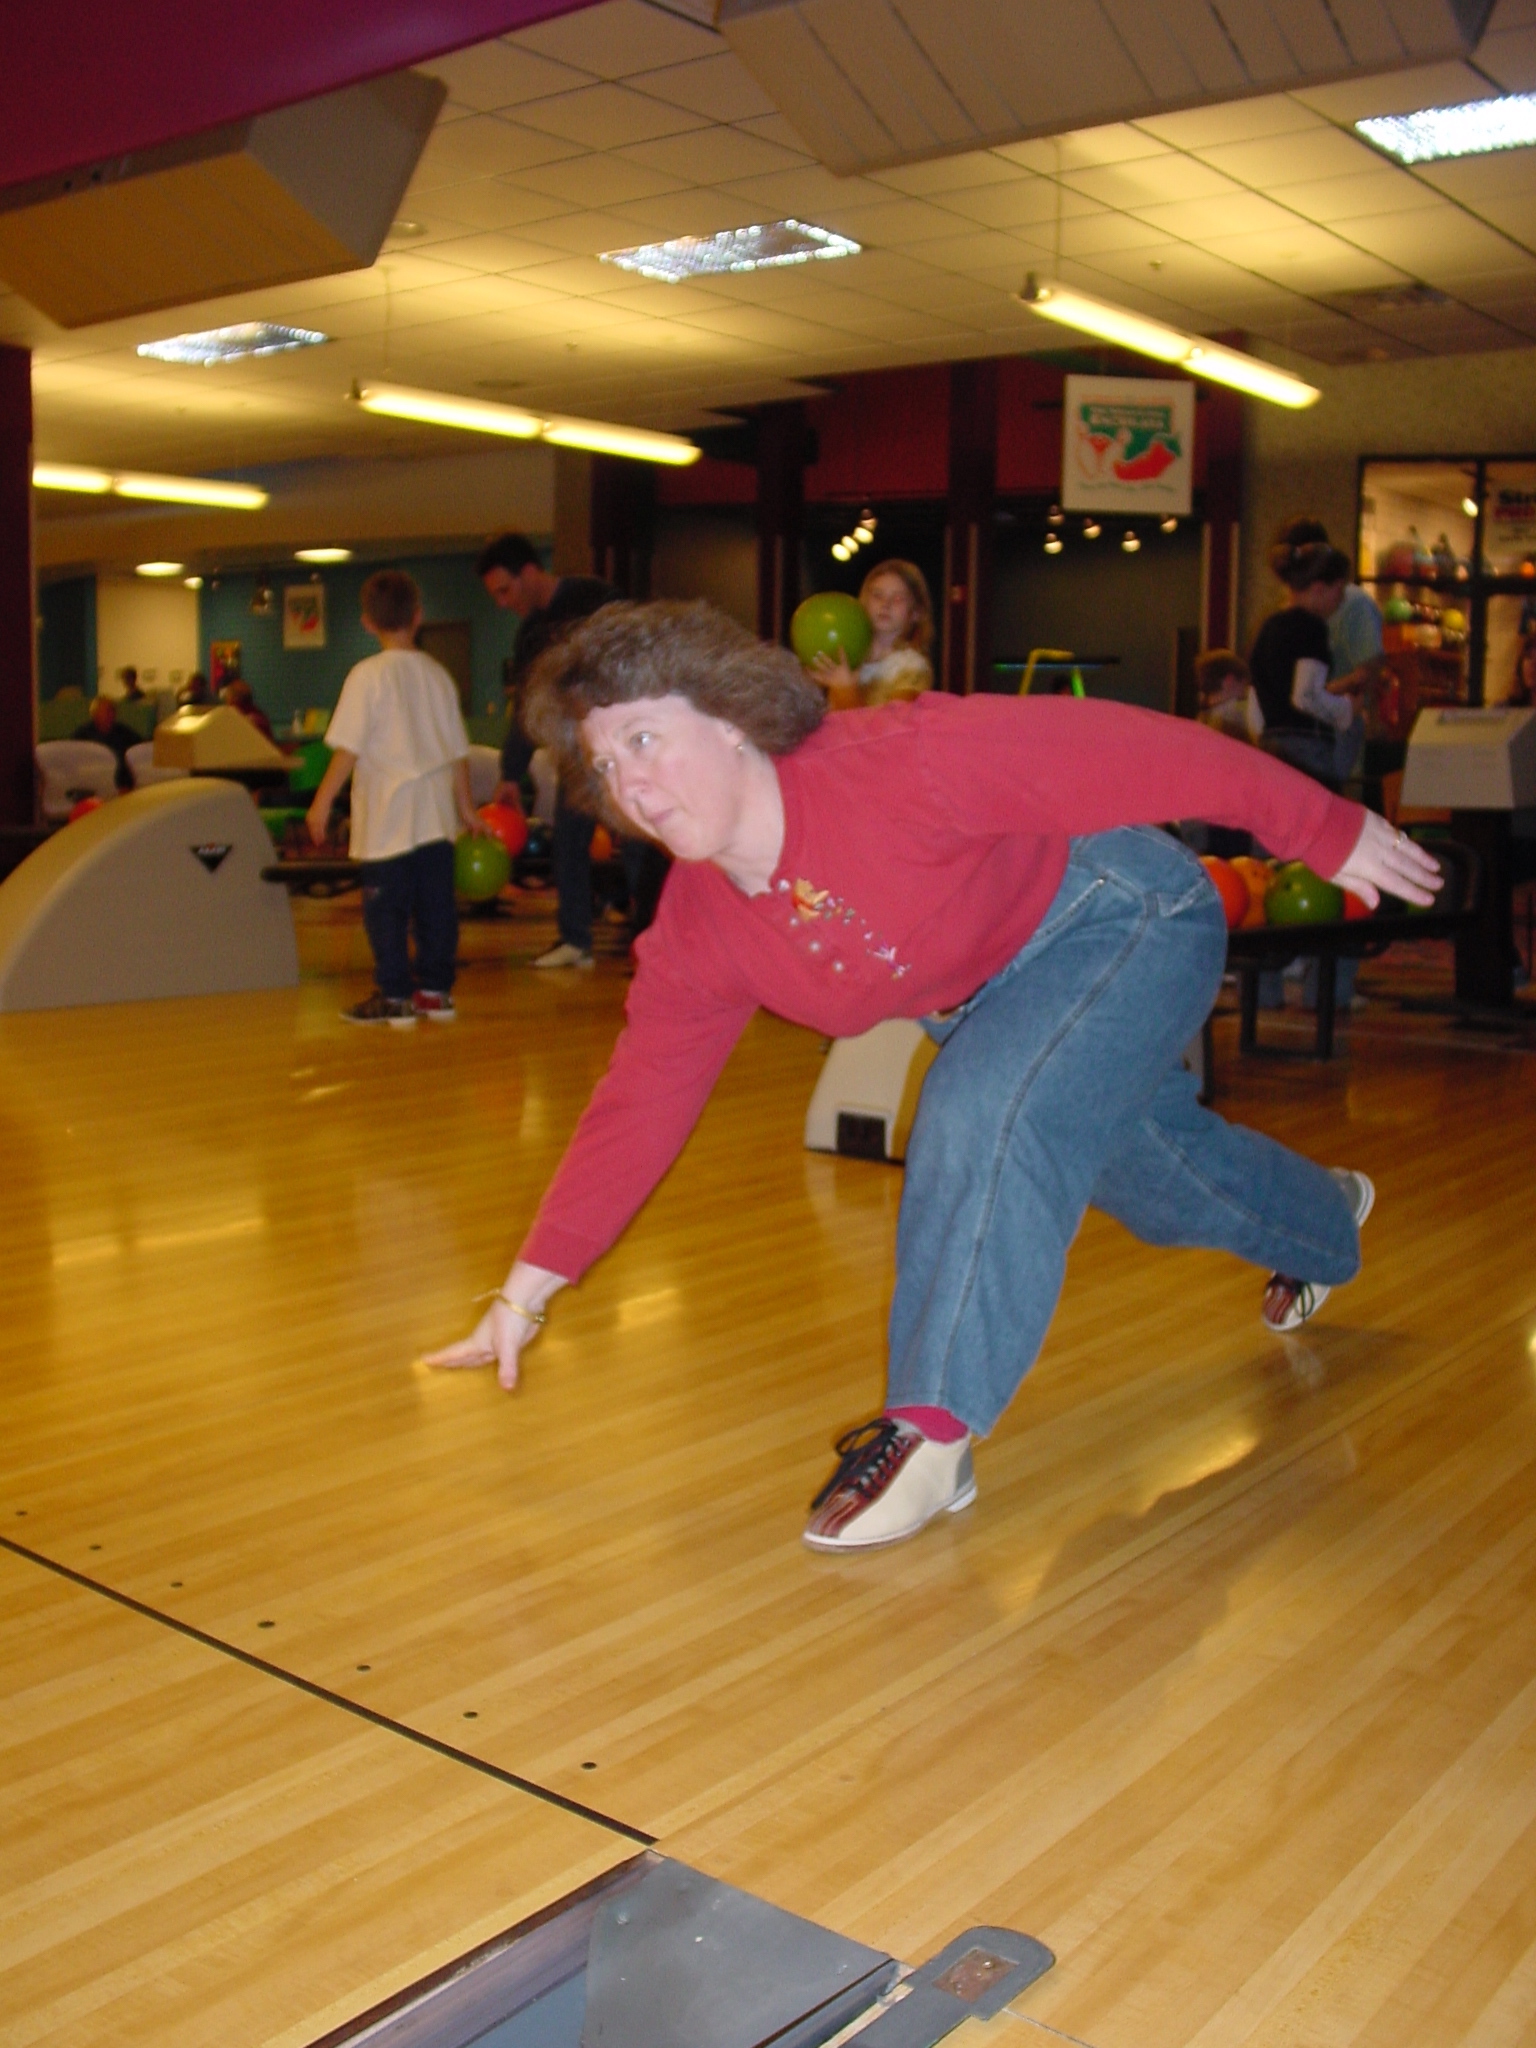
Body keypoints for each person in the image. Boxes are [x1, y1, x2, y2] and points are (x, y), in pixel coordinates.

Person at [424, 600, 1439, 1553]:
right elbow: (638, 1104)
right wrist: (526, 1292)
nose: (631, 784)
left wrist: (1323, 827)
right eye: (607, 763)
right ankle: (1326, 1220)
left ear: (730, 720)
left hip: (1124, 915)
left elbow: (1138, 747)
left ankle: (930, 1432)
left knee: (983, 1107)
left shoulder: (897, 758)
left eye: (645, 739)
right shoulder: (698, 928)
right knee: (1155, 1172)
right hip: (992, 1004)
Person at [477, 531, 668, 960]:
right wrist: (511, 774)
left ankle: (655, 945)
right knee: (568, 841)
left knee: (637, 844)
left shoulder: (597, 600)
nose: (503, 603)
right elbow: (528, 707)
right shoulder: (530, 635)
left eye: (505, 590)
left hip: (622, 746)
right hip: (577, 752)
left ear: (529, 573)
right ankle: (575, 941)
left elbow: (641, 665)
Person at [306, 570, 481, 1027]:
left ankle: (395, 995)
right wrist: (467, 809)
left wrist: (321, 802)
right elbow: (457, 752)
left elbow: (349, 748)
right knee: (436, 908)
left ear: (367, 623)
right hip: (436, 819)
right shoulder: (439, 676)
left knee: (386, 910)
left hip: (387, 819)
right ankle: (436, 992)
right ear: (418, 617)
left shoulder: (367, 676)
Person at [812, 559, 934, 707]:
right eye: (877, 595)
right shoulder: (850, 657)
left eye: (898, 598)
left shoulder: (912, 666)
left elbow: (892, 720)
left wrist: (845, 689)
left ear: (916, 612)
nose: (885, 604)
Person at [73, 693, 139, 790]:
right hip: (92, 785)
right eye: (106, 711)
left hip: (122, 785)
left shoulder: (124, 733)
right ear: (94, 714)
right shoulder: (82, 736)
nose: (110, 715)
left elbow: (138, 749)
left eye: (112, 711)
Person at [1194, 649, 1258, 744]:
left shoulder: (1200, 721)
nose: (1245, 692)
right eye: (1243, 685)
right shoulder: (1233, 721)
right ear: (1229, 680)